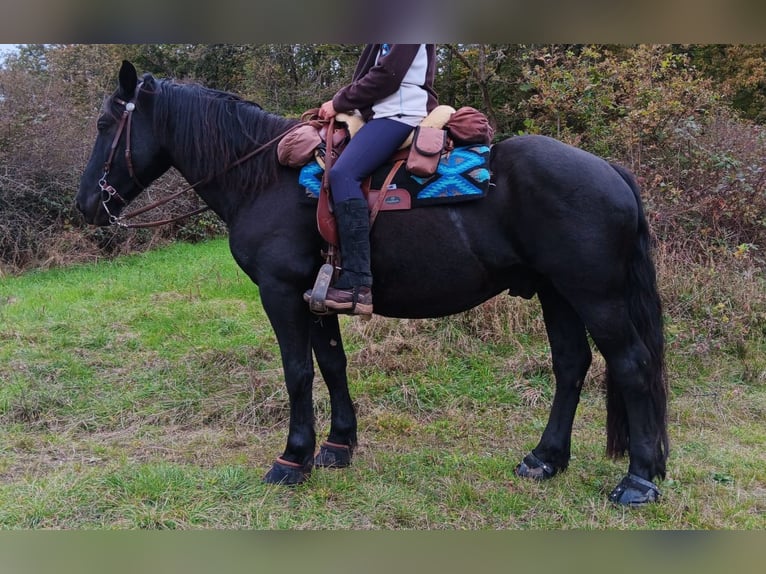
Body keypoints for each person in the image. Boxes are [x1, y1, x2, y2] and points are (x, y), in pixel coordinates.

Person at [304, 44, 438, 315]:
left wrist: (339, 102)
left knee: (343, 174)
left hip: (400, 115)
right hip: (381, 114)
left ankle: (357, 284)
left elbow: (387, 75)